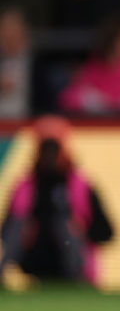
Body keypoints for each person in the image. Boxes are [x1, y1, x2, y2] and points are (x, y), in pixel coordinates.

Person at [1, 116, 114, 287]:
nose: (49, 156)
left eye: (54, 150)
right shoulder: (26, 187)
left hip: (72, 256)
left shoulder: (81, 187)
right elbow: (7, 231)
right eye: (45, 150)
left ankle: (78, 280)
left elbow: (106, 232)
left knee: (65, 226)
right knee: (19, 223)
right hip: (35, 257)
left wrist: (80, 227)